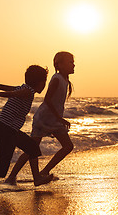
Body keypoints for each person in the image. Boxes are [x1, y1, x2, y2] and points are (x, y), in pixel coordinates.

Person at [0, 65, 53, 195]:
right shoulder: (27, 91)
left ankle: (37, 178)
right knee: (2, 163)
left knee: (32, 147)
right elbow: (10, 93)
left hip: (9, 129)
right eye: (44, 82)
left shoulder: (23, 88)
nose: (44, 86)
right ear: (40, 82)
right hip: (5, 129)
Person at [5, 51, 75, 185]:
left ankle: (42, 172)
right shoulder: (56, 78)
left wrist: (58, 118)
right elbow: (47, 99)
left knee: (67, 146)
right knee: (32, 148)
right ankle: (13, 177)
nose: (73, 64)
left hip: (53, 119)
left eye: (73, 62)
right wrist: (60, 119)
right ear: (58, 65)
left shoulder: (65, 80)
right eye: (70, 62)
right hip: (44, 119)